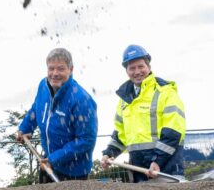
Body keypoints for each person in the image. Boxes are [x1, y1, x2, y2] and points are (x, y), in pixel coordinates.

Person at [100, 45, 186, 182]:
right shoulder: (124, 101)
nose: (137, 71)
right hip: (139, 169)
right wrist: (109, 153)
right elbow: (121, 134)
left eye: (141, 67)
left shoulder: (166, 92)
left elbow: (173, 130)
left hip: (167, 167)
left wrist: (158, 160)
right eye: (132, 68)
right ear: (126, 71)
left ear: (149, 67)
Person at [16, 47, 98, 181]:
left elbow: (86, 140)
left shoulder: (81, 100)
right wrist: (25, 128)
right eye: (51, 68)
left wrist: (55, 159)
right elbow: (36, 109)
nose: (55, 73)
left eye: (60, 69)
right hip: (48, 161)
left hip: (74, 171)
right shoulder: (43, 85)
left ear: (71, 69)